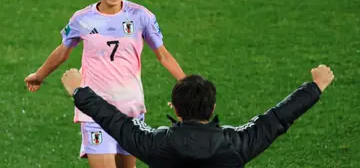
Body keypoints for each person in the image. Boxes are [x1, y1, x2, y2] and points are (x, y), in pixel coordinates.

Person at [24, 0, 186, 168]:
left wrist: (189, 88)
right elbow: (62, 51)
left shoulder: (141, 16)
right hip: (94, 109)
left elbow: (163, 55)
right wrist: (39, 75)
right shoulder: (82, 19)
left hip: (130, 108)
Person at [61, 65, 335, 168]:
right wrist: (315, 86)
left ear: (174, 108)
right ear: (213, 108)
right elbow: (277, 118)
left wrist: (79, 90)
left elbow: (114, 120)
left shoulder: (156, 144)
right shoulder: (236, 144)